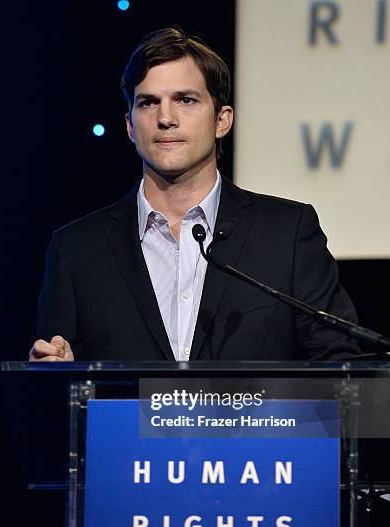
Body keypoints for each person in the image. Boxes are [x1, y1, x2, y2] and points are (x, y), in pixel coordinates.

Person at [29, 26, 359, 362]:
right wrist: (56, 377)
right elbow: (51, 396)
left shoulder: (287, 233)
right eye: (148, 103)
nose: (166, 118)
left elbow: (340, 368)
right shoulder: (77, 250)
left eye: (185, 100)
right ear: (130, 126)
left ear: (222, 120)